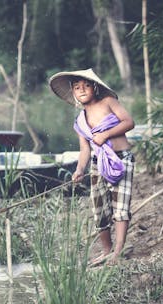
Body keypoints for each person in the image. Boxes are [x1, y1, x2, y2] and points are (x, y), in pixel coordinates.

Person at [49, 68, 135, 266]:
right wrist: (79, 169)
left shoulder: (108, 102)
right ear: (73, 92)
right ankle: (106, 250)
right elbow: (85, 149)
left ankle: (118, 252)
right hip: (97, 164)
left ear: (95, 88)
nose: (82, 90)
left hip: (121, 159)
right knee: (100, 208)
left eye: (86, 85)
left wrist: (105, 135)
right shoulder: (80, 120)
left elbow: (129, 122)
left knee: (120, 207)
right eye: (77, 87)